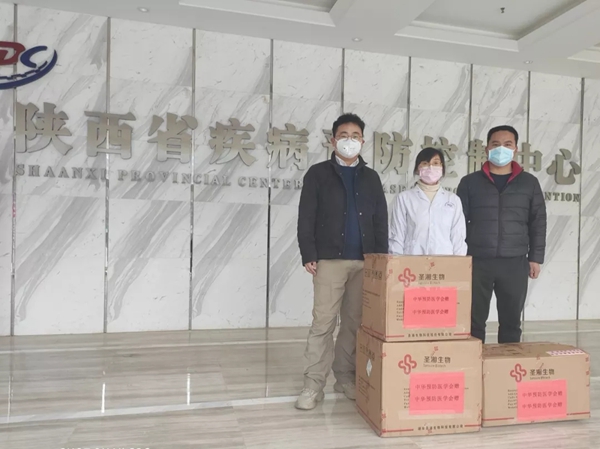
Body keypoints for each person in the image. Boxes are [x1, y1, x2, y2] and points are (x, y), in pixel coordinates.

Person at [295, 113, 388, 410]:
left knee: (353, 323)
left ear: (363, 141)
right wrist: (309, 253)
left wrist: (380, 260)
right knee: (323, 323)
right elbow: (306, 216)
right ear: (333, 140)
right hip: (329, 261)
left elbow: (380, 221)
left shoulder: (371, 178)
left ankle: (345, 376)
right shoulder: (318, 174)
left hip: (364, 262)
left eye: (355, 136)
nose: (350, 141)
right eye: (344, 135)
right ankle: (313, 385)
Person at [457, 125, 546, 344]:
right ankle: (474, 361)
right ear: (487, 148)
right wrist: (458, 258)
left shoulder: (529, 183)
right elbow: (457, 223)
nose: (501, 149)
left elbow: (538, 222)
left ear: (516, 149)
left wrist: (535, 258)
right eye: (495, 144)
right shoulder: (469, 182)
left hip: (514, 261)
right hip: (478, 260)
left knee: (511, 322)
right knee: (473, 321)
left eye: (507, 144)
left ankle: (509, 362)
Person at [389, 147, 467, 256]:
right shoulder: (404, 198)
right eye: (425, 163)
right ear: (417, 168)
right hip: (412, 260)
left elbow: (458, 237)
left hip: (445, 260)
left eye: (435, 163)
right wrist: (397, 261)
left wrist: (459, 262)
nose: (431, 167)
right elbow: (397, 235)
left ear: (442, 167)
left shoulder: (453, 200)